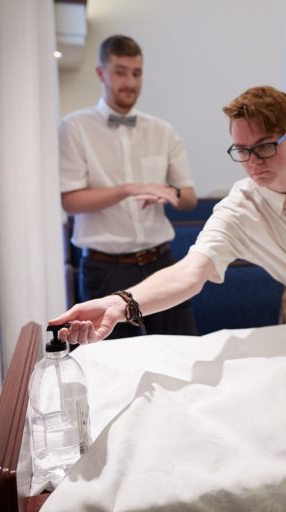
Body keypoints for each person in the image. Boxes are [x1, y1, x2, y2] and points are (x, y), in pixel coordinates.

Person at [52, 85, 286, 344]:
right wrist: (122, 303)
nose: (253, 162)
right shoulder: (239, 210)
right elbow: (191, 272)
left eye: (264, 146)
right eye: (242, 150)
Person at [59, 35, 199, 338]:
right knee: (111, 358)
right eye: (121, 72)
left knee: (180, 349)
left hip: (161, 264)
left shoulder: (162, 131)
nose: (130, 82)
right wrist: (128, 189)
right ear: (101, 73)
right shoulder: (75, 127)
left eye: (136, 73)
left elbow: (189, 198)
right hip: (105, 269)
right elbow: (70, 201)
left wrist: (172, 194)